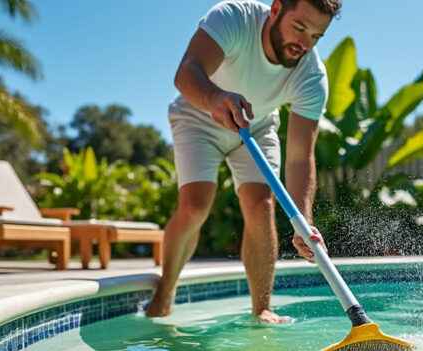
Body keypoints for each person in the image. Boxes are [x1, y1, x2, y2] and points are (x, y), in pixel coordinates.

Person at [146, 0, 342, 323]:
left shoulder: (311, 75)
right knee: (195, 206)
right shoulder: (234, 18)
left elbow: (299, 156)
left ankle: (262, 307)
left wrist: (302, 222)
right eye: (299, 28)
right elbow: (186, 72)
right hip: (198, 114)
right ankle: (166, 289)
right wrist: (215, 98)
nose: (304, 44)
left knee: (261, 205)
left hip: (255, 124)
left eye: (316, 36)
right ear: (276, 9)